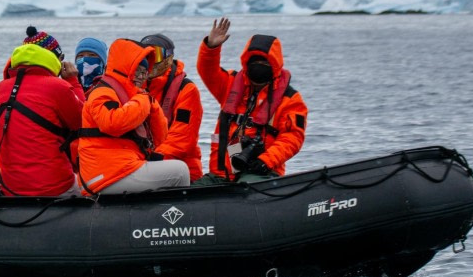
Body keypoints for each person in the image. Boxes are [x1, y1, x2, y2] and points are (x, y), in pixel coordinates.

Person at [196, 18, 308, 183]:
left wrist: (266, 161)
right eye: (254, 61)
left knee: (246, 187)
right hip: (221, 174)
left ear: (274, 65)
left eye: (264, 62)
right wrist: (211, 48)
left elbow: (292, 138)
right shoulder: (230, 85)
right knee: (195, 189)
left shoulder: (290, 100)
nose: (258, 66)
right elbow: (208, 71)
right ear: (246, 63)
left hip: (262, 173)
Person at [78, 39, 190, 194]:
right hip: (104, 175)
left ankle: (157, 208)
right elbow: (112, 123)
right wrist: (143, 101)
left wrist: (152, 105)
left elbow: (160, 138)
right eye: (137, 70)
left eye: (144, 72)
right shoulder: (102, 93)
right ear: (125, 68)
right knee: (180, 171)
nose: (141, 77)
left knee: (173, 167)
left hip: (119, 169)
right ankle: (176, 209)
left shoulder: (133, 97)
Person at [0, 26, 81, 187]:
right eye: (60, 57)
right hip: (54, 184)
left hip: (10, 185)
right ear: (50, 58)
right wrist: (73, 83)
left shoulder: (1, 92)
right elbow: (82, 122)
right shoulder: (59, 88)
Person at [139, 34, 204, 182]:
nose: (150, 61)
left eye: (155, 55)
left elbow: (182, 137)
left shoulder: (186, 89)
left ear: (169, 58)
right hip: (143, 166)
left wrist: (152, 160)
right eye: (146, 55)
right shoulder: (134, 86)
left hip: (182, 171)